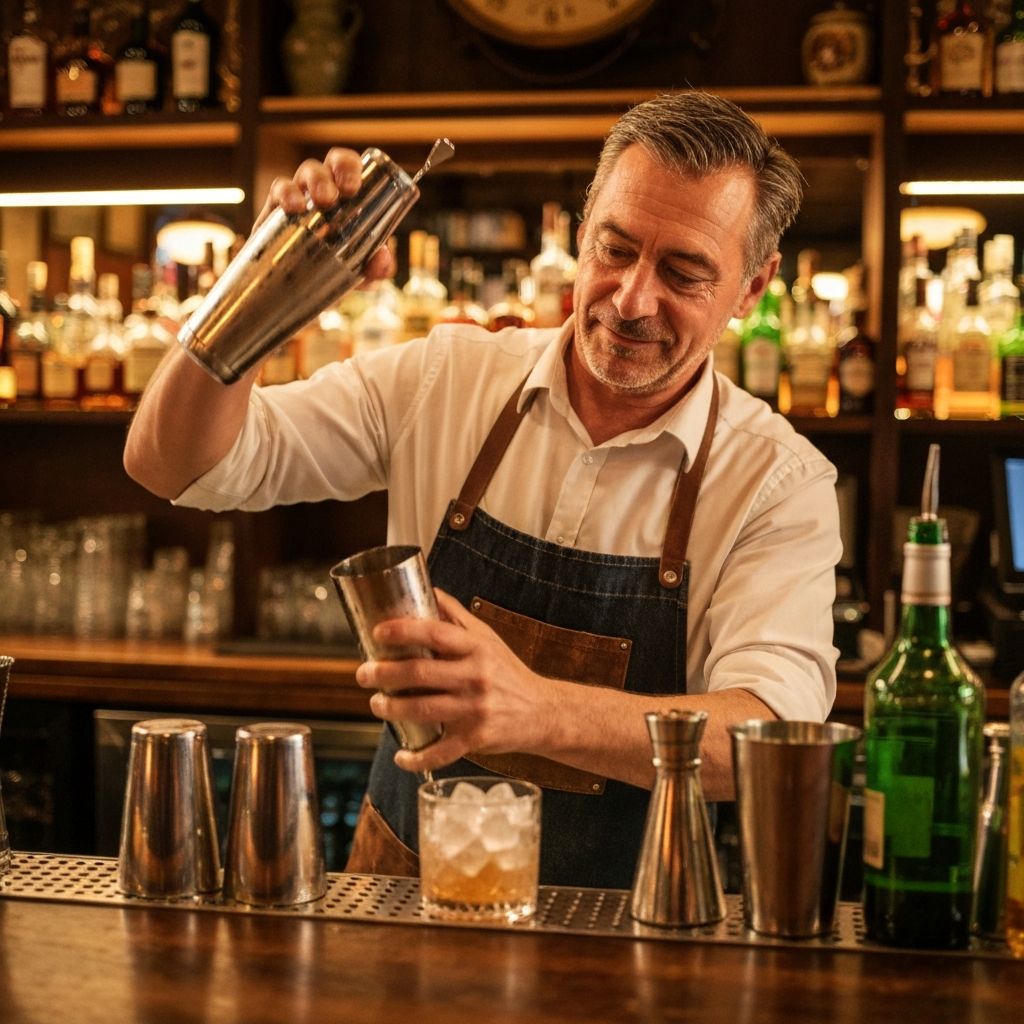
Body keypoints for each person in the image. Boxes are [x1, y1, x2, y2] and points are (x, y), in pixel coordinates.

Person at [124, 90, 841, 890]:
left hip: (632, 938)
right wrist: (262, 290)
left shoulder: (777, 483)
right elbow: (170, 463)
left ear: (752, 287)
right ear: (579, 234)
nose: (633, 300)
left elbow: (772, 736)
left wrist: (537, 709)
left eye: (684, 273)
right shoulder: (446, 379)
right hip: (403, 900)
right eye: (615, 250)